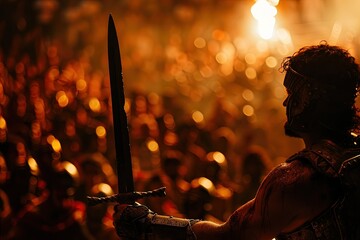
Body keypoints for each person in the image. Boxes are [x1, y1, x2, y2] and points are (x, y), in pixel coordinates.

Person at [112, 42, 360, 240]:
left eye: (292, 95)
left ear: (308, 98)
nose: (286, 103)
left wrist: (149, 223)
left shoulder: (296, 181)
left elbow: (230, 235)